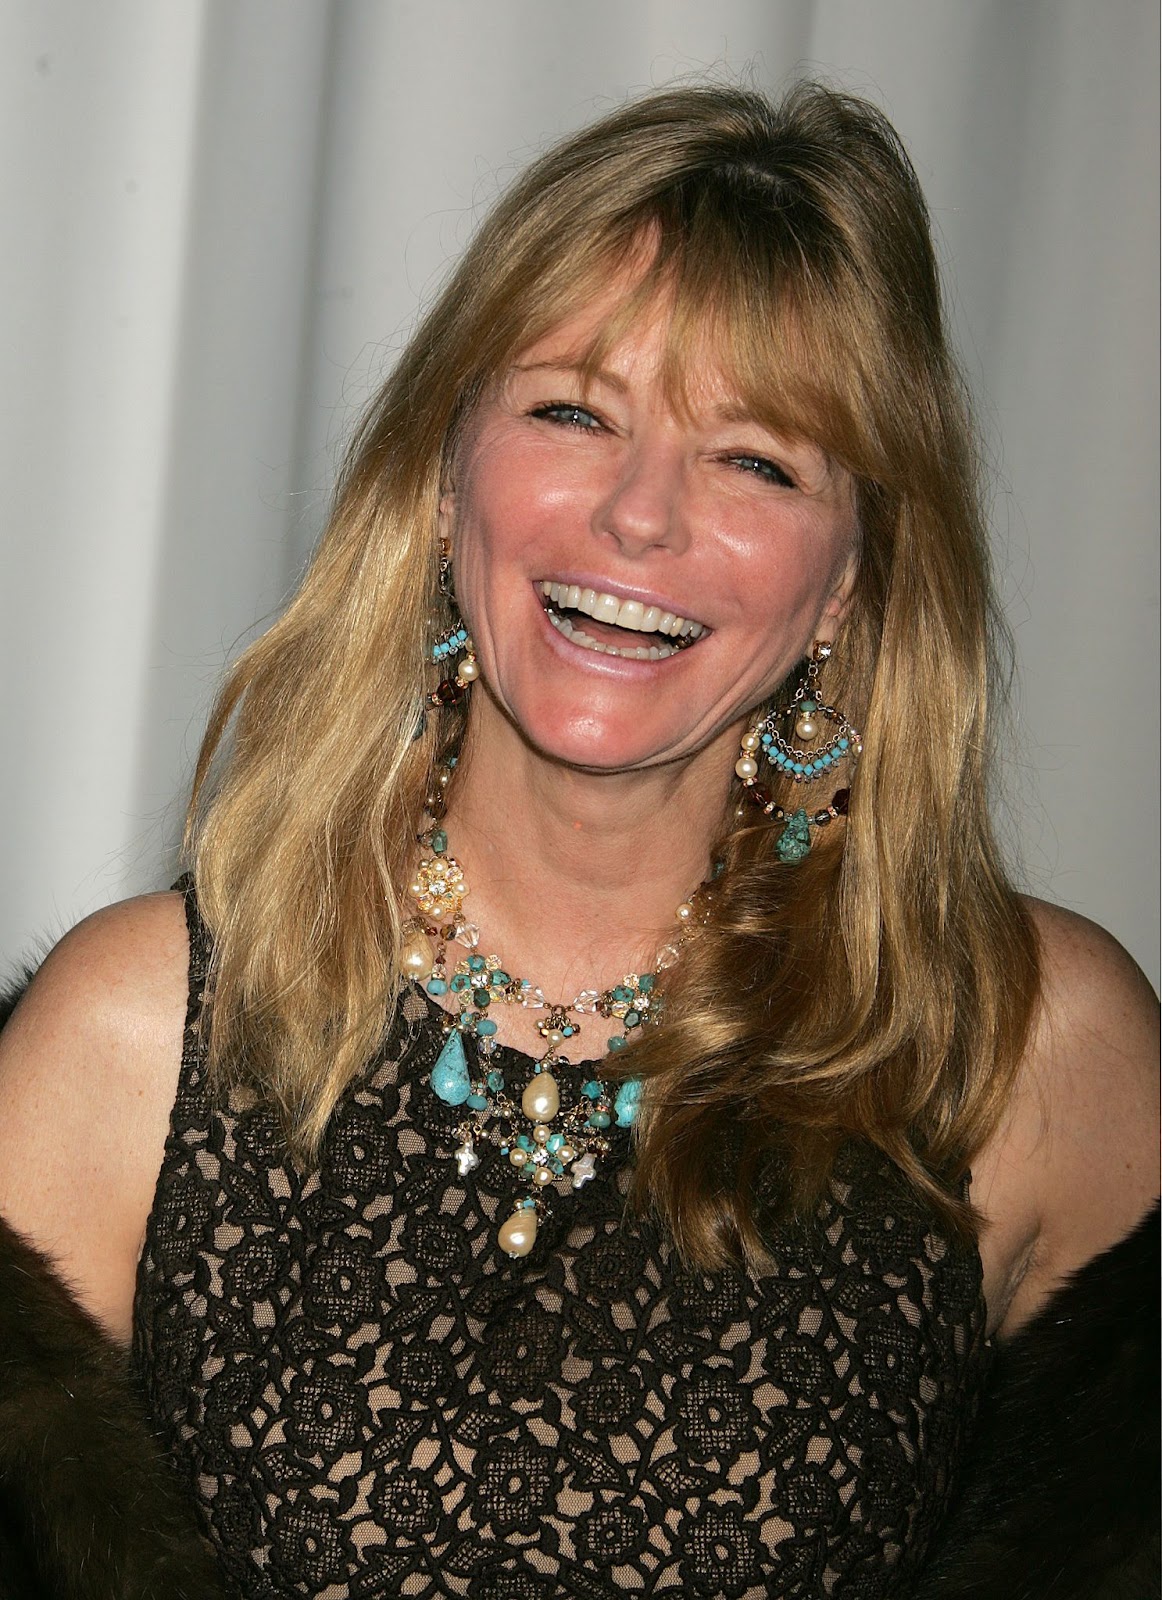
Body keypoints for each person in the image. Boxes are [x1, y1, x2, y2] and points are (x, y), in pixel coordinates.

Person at [0, 81, 1156, 1600]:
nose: (638, 517)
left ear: (849, 584)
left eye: (757, 459)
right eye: (572, 411)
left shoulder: (1023, 1048)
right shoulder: (131, 1038)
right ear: (438, 475)